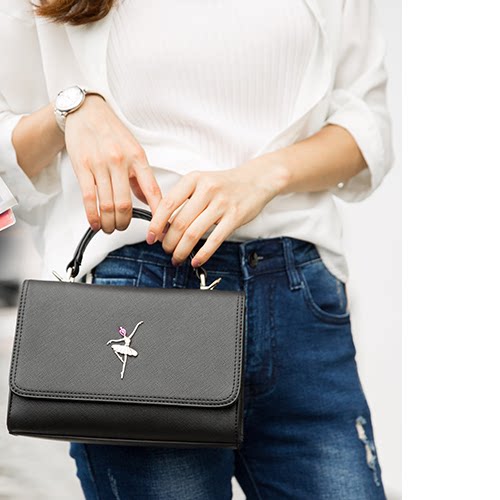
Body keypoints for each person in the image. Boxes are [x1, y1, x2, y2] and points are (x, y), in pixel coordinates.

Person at [0, 0, 394, 498]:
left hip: (297, 297)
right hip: (137, 300)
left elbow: (367, 124)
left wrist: (261, 177)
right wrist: (72, 111)